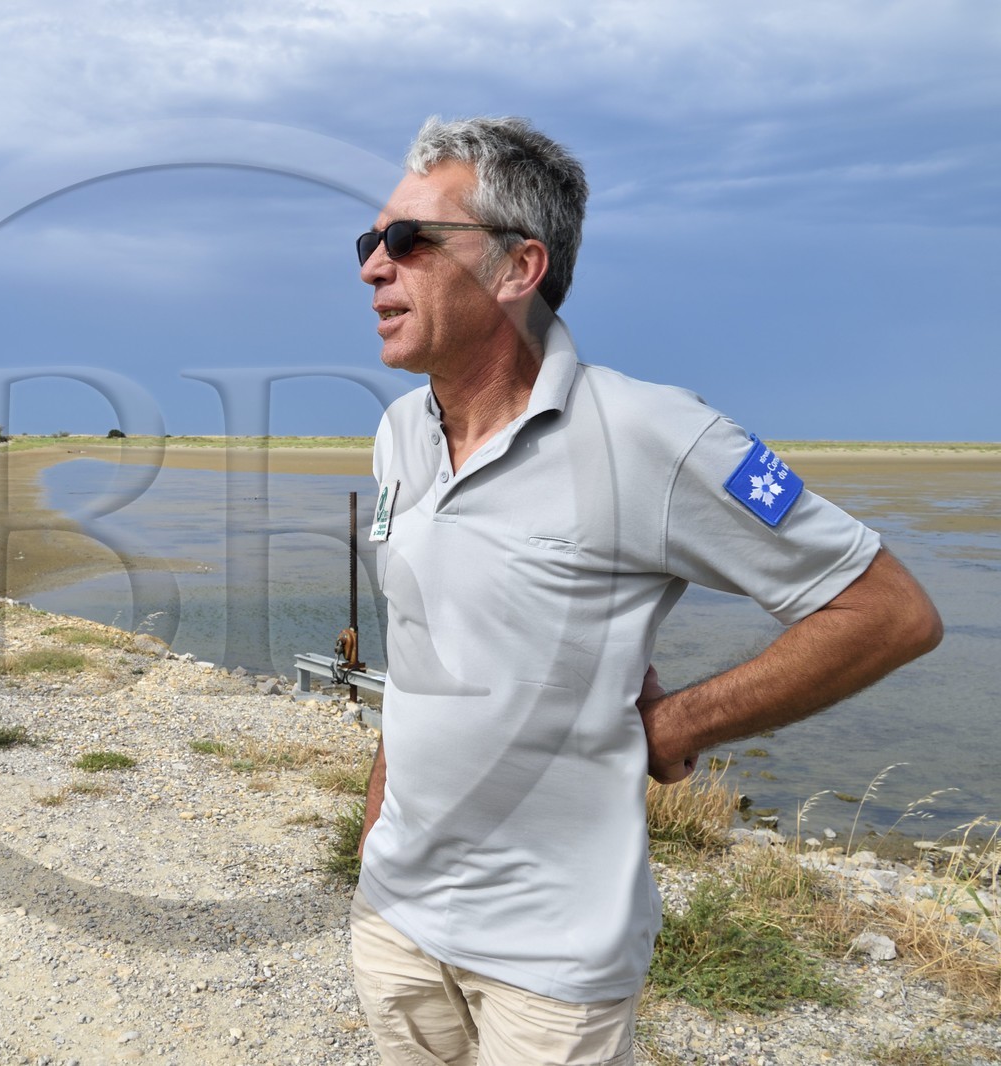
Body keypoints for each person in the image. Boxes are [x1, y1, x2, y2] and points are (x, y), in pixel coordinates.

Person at [351, 116, 942, 1066]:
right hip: (396, 926)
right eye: (371, 242)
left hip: (548, 967)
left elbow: (886, 612)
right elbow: (419, 650)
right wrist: (377, 837)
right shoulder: (398, 434)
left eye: (410, 240)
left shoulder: (655, 437)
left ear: (517, 269)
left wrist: (676, 728)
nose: (376, 266)